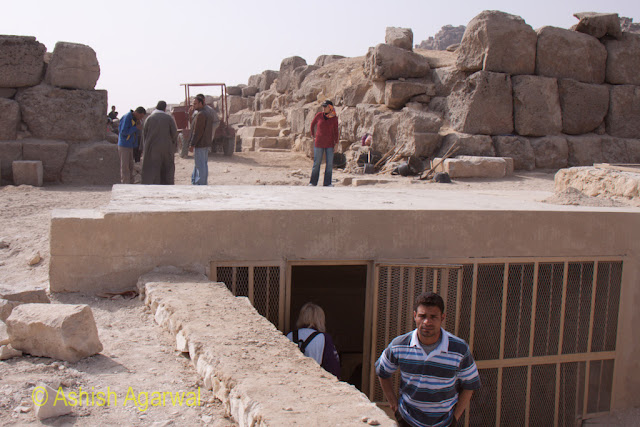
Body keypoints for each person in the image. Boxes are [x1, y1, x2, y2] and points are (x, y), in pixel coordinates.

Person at [376, 292, 481, 427]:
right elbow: (382, 371)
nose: (427, 322)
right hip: (408, 421)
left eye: (433, 317)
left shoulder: (459, 349)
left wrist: (454, 418)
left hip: (444, 423)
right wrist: (394, 405)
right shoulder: (399, 345)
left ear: (442, 318)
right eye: (422, 316)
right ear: (415, 316)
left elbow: (470, 385)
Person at [286, 302, 340, 378]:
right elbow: (333, 367)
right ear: (320, 319)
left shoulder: (290, 336)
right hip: (314, 380)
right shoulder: (324, 338)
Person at [141, 101, 178, 185]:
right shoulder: (169, 118)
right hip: (166, 149)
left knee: (153, 170)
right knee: (166, 170)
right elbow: (174, 133)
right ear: (165, 108)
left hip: (152, 149)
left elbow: (144, 135)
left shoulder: (149, 119)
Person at [308, 100, 339, 187]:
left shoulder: (334, 118)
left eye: (325, 106)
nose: (323, 108)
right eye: (323, 106)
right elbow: (312, 124)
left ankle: (327, 183)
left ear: (330, 108)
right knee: (317, 163)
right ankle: (313, 182)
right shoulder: (319, 115)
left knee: (329, 164)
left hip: (329, 143)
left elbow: (336, 131)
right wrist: (312, 135)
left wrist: (336, 143)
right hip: (319, 143)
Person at [188, 94, 216, 185]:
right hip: (205, 143)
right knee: (203, 165)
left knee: (200, 165)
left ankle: (200, 184)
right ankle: (201, 183)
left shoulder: (201, 115)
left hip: (200, 144)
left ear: (201, 103)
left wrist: (192, 144)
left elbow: (197, 132)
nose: (194, 106)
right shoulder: (207, 113)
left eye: (195, 104)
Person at [117, 106, 146, 184]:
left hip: (130, 145)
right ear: (136, 113)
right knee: (125, 166)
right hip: (124, 145)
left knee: (130, 166)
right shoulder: (127, 118)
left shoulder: (135, 119)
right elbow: (123, 132)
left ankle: (130, 182)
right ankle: (125, 183)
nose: (140, 118)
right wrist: (135, 127)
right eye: (140, 116)